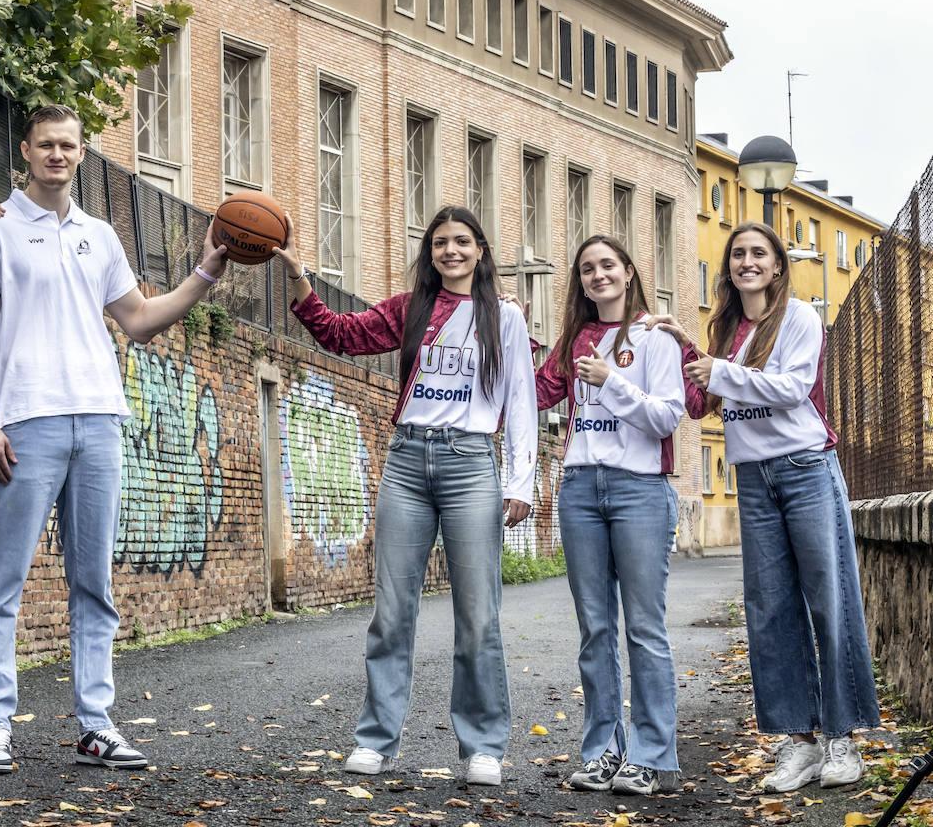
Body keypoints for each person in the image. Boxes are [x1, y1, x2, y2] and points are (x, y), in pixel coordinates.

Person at [0, 104, 229, 774]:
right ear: (25, 149)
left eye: (68, 145)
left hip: (101, 421)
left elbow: (137, 320)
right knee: (3, 580)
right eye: (45, 144)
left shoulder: (101, 234)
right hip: (24, 421)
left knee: (94, 582)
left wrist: (206, 272)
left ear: (82, 154)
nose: (56, 154)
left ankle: (96, 724)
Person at [275, 204, 535, 786]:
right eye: (441, 242)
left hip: (471, 462)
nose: (451, 251)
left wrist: (520, 483)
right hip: (408, 460)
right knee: (392, 612)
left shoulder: (504, 318)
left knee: (478, 615)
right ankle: (377, 739)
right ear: (430, 252)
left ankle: (483, 747)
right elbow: (338, 335)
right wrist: (298, 275)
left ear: (481, 251)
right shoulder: (411, 308)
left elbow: (521, 402)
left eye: (463, 241)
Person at [648, 221, 879, 792]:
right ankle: (796, 742)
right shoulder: (726, 328)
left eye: (759, 253)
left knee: (830, 601)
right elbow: (705, 400)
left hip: (805, 469)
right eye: (738, 254)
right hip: (752, 477)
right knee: (770, 611)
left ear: (778, 266)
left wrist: (721, 369)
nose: (747, 261)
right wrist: (685, 346)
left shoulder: (799, 318)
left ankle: (842, 740)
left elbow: (792, 387)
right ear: (729, 269)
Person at [532, 235, 684, 795]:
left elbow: (667, 417)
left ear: (627, 272)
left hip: (639, 489)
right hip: (579, 489)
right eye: (587, 269)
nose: (598, 276)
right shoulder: (574, 340)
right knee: (595, 629)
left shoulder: (653, 336)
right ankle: (601, 750)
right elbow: (537, 391)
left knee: (644, 627)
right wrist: (512, 334)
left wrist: (612, 382)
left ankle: (650, 755)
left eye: (607, 266)